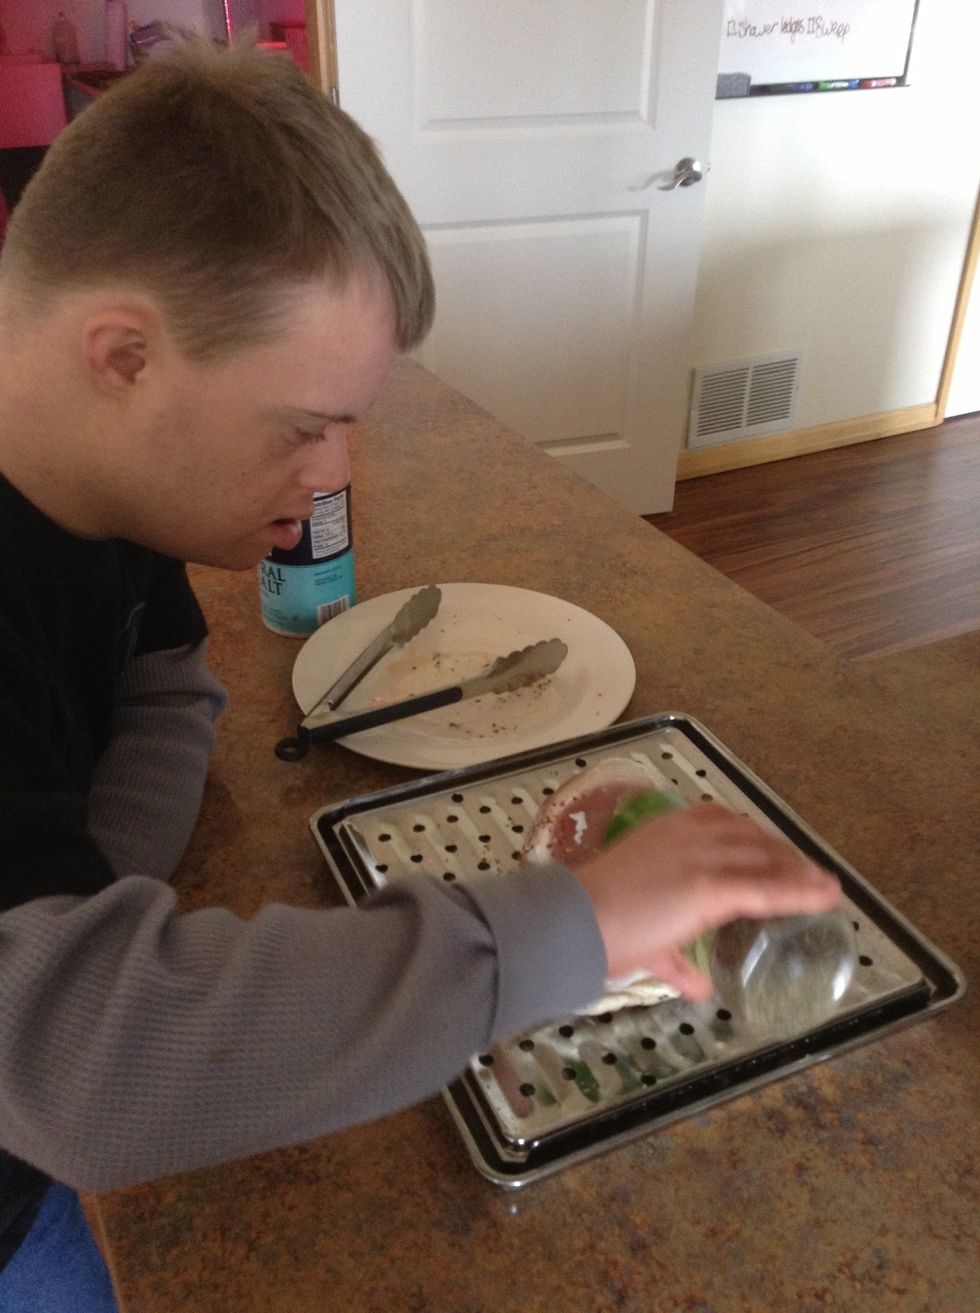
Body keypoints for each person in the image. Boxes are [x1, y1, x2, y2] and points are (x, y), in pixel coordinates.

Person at [0, 37, 842, 1308]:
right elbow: (74, 1070)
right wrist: (582, 924)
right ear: (121, 353)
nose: (333, 474)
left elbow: (167, 679)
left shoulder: (100, 497)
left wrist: (96, 907)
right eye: (301, 425)